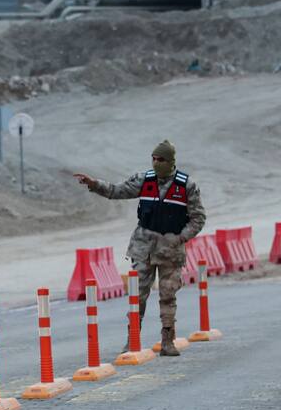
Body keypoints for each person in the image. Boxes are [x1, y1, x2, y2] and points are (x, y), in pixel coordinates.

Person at [74, 140, 206, 356]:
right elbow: (117, 191)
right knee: (137, 295)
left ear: (170, 161)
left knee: (168, 295)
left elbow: (198, 218)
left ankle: (167, 340)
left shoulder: (186, 186)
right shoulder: (145, 180)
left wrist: (181, 237)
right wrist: (94, 184)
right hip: (143, 247)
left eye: (160, 160)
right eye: (153, 159)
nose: (156, 163)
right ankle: (132, 339)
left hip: (170, 250)